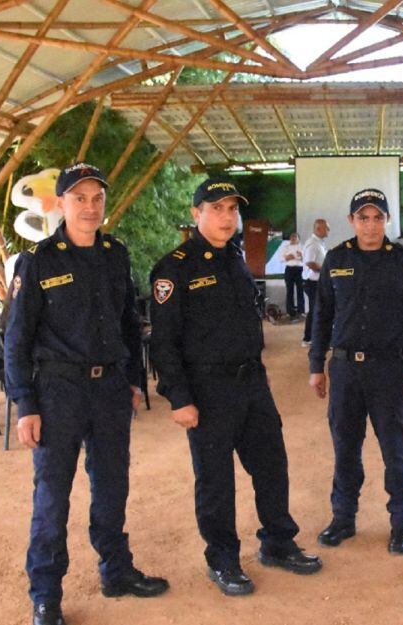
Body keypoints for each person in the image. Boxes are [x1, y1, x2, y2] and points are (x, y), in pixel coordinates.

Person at [5, 162, 168, 625]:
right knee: (53, 497)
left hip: (111, 389)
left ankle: (116, 571)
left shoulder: (116, 253)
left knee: (112, 485)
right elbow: (15, 338)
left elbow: (127, 324)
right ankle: (46, 595)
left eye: (97, 198)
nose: (90, 207)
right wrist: (26, 404)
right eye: (80, 198)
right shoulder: (37, 261)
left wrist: (135, 380)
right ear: (60, 204)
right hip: (58, 390)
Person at [149, 178, 322, 597]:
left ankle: (278, 543)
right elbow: (164, 341)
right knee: (215, 480)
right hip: (207, 389)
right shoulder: (174, 267)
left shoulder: (236, 257)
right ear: (196, 214)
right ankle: (223, 559)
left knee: (270, 465)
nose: (227, 217)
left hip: (252, 383)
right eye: (217, 208)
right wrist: (180, 397)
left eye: (232, 209)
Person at [308, 188, 403, 555]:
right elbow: (321, 316)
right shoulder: (336, 259)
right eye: (363, 217)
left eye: (377, 217)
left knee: (396, 450)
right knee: (345, 448)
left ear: (387, 220)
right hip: (343, 370)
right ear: (351, 221)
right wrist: (316, 367)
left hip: (388, 369)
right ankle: (343, 518)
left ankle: (401, 522)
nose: (370, 225)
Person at [301, 218, 330, 346]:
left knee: (318, 310)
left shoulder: (319, 242)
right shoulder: (313, 243)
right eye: (326, 228)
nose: (329, 230)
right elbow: (310, 262)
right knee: (315, 311)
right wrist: (325, 271)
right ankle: (308, 339)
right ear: (318, 229)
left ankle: (315, 338)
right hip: (312, 283)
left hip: (317, 282)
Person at [280, 232, 305, 318]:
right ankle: (290, 312)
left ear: (298, 238)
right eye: (292, 237)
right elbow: (281, 259)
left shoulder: (303, 247)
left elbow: (307, 259)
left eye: (295, 237)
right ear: (290, 238)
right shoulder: (285, 247)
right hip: (289, 269)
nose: (293, 238)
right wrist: (286, 258)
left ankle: (301, 311)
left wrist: (302, 257)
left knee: (300, 290)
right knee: (289, 291)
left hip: (299, 269)